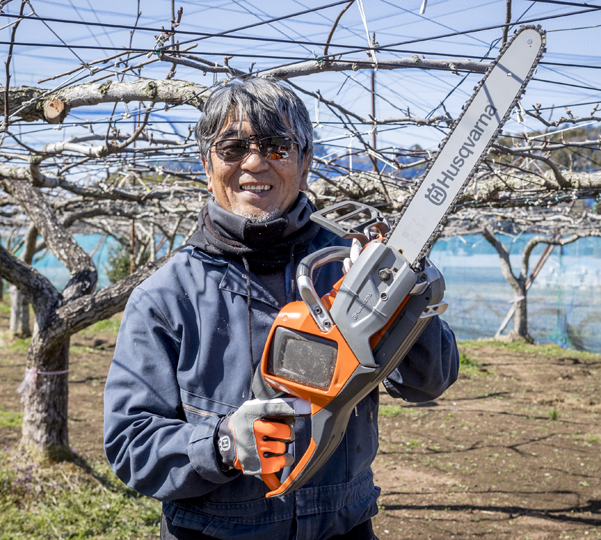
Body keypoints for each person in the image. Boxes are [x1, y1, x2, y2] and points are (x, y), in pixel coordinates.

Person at [103, 77, 459, 540]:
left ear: (305, 161)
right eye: (232, 148)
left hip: (343, 529)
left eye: (275, 146)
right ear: (207, 166)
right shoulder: (167, 296)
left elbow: (428, 381)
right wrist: (223, 444)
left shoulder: (349, 266)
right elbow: (131, 444)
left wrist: (401, 299)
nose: (254, 162)